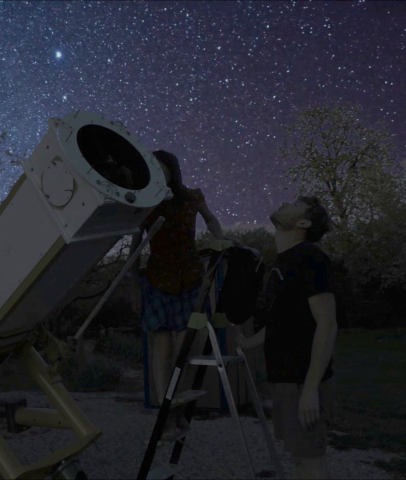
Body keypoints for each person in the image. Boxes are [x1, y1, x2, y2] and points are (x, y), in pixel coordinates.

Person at [127, 150, 235, 441]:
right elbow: (135, 246)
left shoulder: (192, 197)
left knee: (185, 349)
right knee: (161, 347)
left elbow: (211, 220)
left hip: (189, 280)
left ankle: (179, 407)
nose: (156, 173)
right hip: (157, 281)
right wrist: (134, 285)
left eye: (160, 168)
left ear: (173, 170)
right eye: (152, 168)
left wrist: (220, 240)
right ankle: (166, 418)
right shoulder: (146, 201)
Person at [229, 197, 337, 480]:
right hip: (286, 378)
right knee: (302, 460)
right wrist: (248, 343)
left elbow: (327, 324)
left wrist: (311, 389)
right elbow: (283, 319)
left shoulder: (310, 257)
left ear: (303, 223)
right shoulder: (284, 261)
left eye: (295, 204)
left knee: (310, 461)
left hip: (302, 379)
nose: (287, 202)